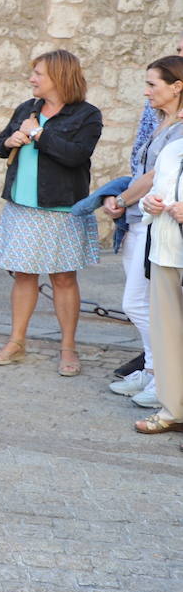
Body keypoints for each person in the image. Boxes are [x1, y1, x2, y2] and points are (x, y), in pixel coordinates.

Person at [0, 50, 103, 377]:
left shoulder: (87, 115)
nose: (32, 79)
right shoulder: (27, 108)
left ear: (59, 77)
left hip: (61, 209)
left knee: (63, 278)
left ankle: (68, 347)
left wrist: (39, 134)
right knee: (23, 274)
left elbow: (76, 155)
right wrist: (10, 140)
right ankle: (16, 341)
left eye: (38, 74)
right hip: (22, 206)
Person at [101, 57, 183, 408]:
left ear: (177, 86)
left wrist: (122, 198)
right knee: (142, 301)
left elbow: (153, 178)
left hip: (163, 226)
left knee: (143, 302)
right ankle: (153, 370)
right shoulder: (164, 122)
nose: (147, 91)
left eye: (153, 84)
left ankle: (165, 377)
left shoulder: (179, 130)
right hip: (144, 220)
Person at [136, 134, 183, 435]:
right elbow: (152, 194)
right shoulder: (172, 149)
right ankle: (173, 410)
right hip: (165, 253)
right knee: (167, 337)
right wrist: (148, 204)